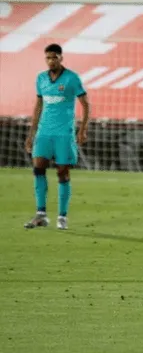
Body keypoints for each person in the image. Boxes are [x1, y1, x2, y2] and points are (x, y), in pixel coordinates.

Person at [24, 43, 90, 230]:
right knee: (38, 169)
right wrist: (31, 133)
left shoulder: (71, 78)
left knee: (62, 172)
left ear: (61, 58)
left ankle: (62, 217)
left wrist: (82, 129)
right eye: (48, 58)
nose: (51, 61)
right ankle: (41, 215)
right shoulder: (41, 79)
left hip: (64, 134)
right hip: (44, 132)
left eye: (54, 57)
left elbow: (86, 104)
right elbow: (38, 106)